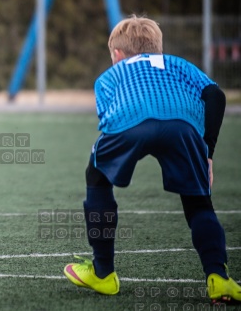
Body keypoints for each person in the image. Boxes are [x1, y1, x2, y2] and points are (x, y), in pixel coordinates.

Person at [63, 15, 241, 304]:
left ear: (117, 55)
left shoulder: (110, 76)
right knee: (198, 201)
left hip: (130, 122)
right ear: (158, 49)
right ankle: (219, 279)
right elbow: (215, 96)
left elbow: (107, 117)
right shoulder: (178, 64)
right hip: (183, 125)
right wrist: (206, 151)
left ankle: (103, 273)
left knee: (96, 175)